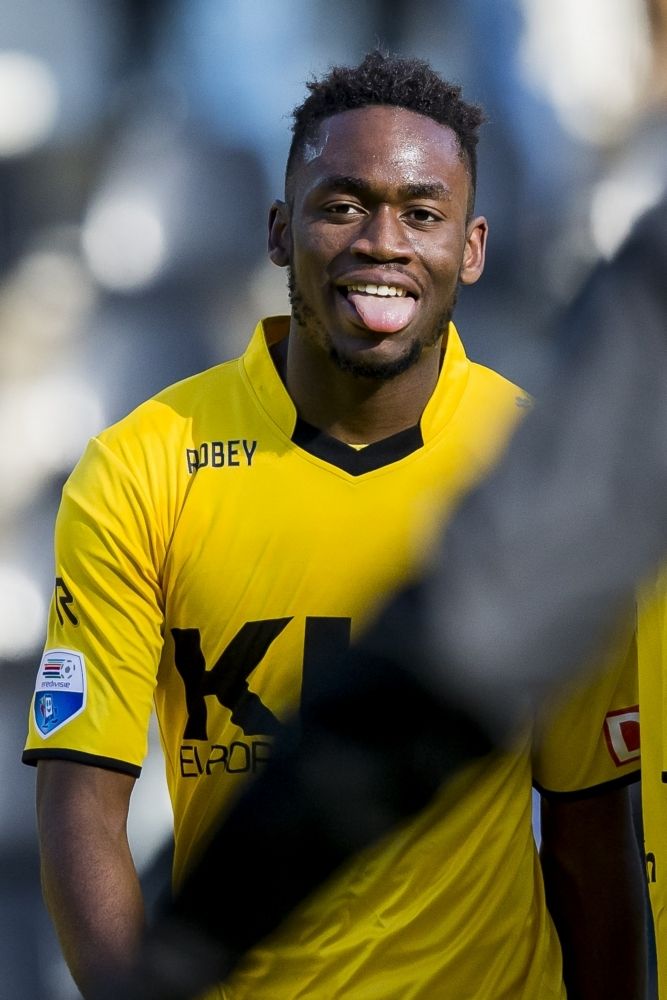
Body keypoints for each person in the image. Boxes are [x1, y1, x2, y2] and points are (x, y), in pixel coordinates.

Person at [23, 51, 645, 1000]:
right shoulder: (140, 466)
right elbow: (80, 807)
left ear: (472, 248)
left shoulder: (542, 470)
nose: (381, 243)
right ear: (280, 231)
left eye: (422, 214)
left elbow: (590, 829)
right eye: (343, 206)